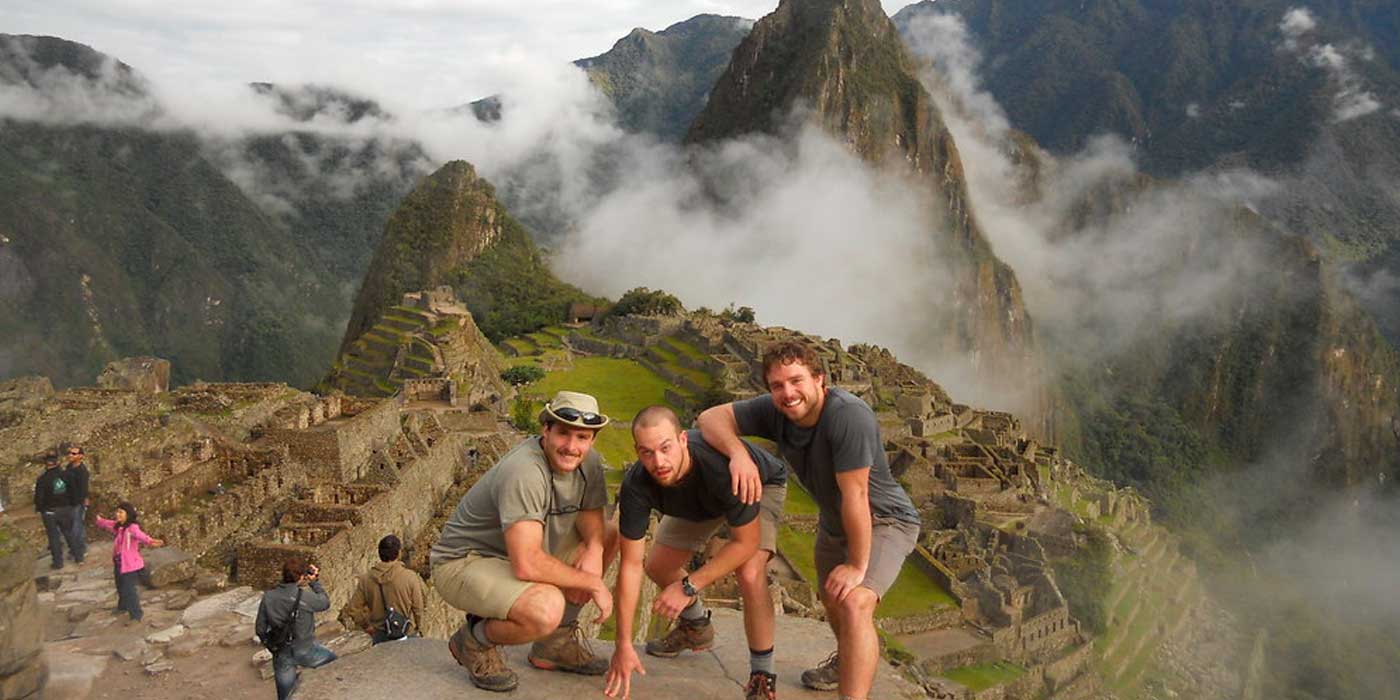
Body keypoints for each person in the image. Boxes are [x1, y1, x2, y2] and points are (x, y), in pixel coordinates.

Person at [698, 341, 922, 700]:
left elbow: (857, 495)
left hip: (884, 520)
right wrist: (738, 453)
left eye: (796, 380)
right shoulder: (776, 411)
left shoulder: (848, 415)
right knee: (832, 601)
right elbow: (710, 418)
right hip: (836, 523)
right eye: (777, 385)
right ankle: (844, 659)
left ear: (820, 379)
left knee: (855, 601)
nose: (788, 393)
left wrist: (856, 564)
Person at [430, 390, 616, 693]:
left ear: (592, 439)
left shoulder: (589, 462)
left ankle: (554, 644)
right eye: (563, 434)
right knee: (546, 609)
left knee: (608, 534)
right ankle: (473, 641)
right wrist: (592, 583)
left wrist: (594, 548)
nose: (571, 446)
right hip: (465, 562)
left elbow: (591, 513)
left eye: (582, 437)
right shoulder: (525, 471)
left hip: (514, 552)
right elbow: (527, 562)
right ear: (546, 430)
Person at [605, 406, 788, 700]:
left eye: (665, 448)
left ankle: (762, 675)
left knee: (750, 571)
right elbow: (630, 565)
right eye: (646, 453)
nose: (658, 462)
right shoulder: (637, 485)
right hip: (695, 501)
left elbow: (746, 543)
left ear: (683, 440)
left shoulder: (720, 468)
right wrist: (623, 644)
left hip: (754, 483)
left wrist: (688, 586)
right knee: (658, 566)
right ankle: (696, 625)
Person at [255, 557, 336, 700]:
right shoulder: (305, 597)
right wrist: (314, 581)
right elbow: (325, 602)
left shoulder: (268, 597)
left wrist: (272, 647)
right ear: (301, 576)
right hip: (306, 649)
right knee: (334, 660)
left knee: (285, 696)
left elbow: (260, 629)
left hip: (281, 651)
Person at [342, 534, 428, 644]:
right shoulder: (410, 577)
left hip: (379, 634)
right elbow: (418, 609)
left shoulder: (366, 580)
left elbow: (353, 608)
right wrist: (419, 629)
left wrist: (366, 626)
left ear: (380, 553)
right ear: (398, 553)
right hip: (404, 632)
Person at [94, 502, 164, 624]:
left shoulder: (132, 528)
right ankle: (123, 607)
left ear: (128, 514)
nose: (118, 514)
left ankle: (136, 615)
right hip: (119, 562)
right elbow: (108, 524)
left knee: (129, 590)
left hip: (130, 565)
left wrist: (150, 541)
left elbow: (140, 535)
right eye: (117, 512)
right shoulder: (119, 527)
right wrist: (100, 521)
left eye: (121, 512)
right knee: (120, 586)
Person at [34, 450, 84, 569]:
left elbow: (39, 499)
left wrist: (41, 509)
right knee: (69, 533)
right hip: (66, 509)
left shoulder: (42, 479)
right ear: (57, 462)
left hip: (50, 512)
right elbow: (74, 492)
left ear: (46, 464)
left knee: (54, 538)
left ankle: (58, 563)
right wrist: (72, 505)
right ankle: (79, 557)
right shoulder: (67, 475)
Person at [63, 445, 92, 558]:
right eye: (69, 453)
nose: (70, 455)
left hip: (77, 503)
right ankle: (76, 548)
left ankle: (80, 549)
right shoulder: (69, 467)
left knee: (77, 527)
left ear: (81, 456)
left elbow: (84, 488)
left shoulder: (82, 471)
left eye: (74, 453)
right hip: (68, 502)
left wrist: (84, 500)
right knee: (72, 527)